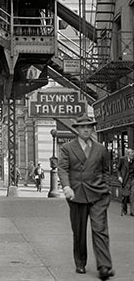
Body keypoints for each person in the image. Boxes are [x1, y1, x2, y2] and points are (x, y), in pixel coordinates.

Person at [58, 114, 114, 280]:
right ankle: (80, 262)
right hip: (77, 195)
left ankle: (104, 266)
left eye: (89, 127)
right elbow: (62, 169)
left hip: (98, 194)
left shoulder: (101, 149)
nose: (86, 130)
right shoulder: (67, 148)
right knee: (79, 231)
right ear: (77, 130)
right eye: (83, 127)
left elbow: (106, 170)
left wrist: (107, 188)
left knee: (100, 230)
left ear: (93, 129)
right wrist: (66, 186)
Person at [117, 148, 134, 216]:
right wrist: (119, 177)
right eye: (131, 156)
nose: (132, 157)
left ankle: (133, 211)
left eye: (133, 156)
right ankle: (124, 209)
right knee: (125, 196)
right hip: (125, 179)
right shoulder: (122, 159)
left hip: (132, 179)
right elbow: (118, 169)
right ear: (127, 155)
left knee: (133, 194)